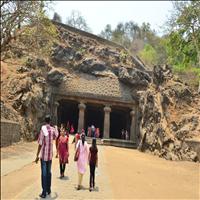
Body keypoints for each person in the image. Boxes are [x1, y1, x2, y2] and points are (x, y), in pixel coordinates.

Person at [35, 115, 58, 198]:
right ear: (50, 121)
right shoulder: (52, 130)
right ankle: (48, 190)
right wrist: (56, 128)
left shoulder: (43, 129)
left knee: (44, 174)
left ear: (45, 121)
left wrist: (37, 155)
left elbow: (40, 143)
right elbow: (56, 136)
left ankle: (44, 192)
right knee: (49, 172)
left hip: (44, 156)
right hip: (50, 156)